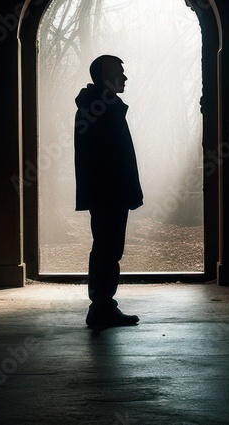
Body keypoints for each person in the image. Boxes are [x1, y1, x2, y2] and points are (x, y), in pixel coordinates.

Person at [74, 54, 144, 328]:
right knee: (108, 248)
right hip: (109, 193)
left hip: (106, 192)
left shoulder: (96, 106)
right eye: (119, 72)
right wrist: (124, 190)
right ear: (105, 77)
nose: (124, 77)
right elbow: (111, 157)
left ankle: (101, 305)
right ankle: (102, 307)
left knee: (105, 247)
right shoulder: (102, 108)